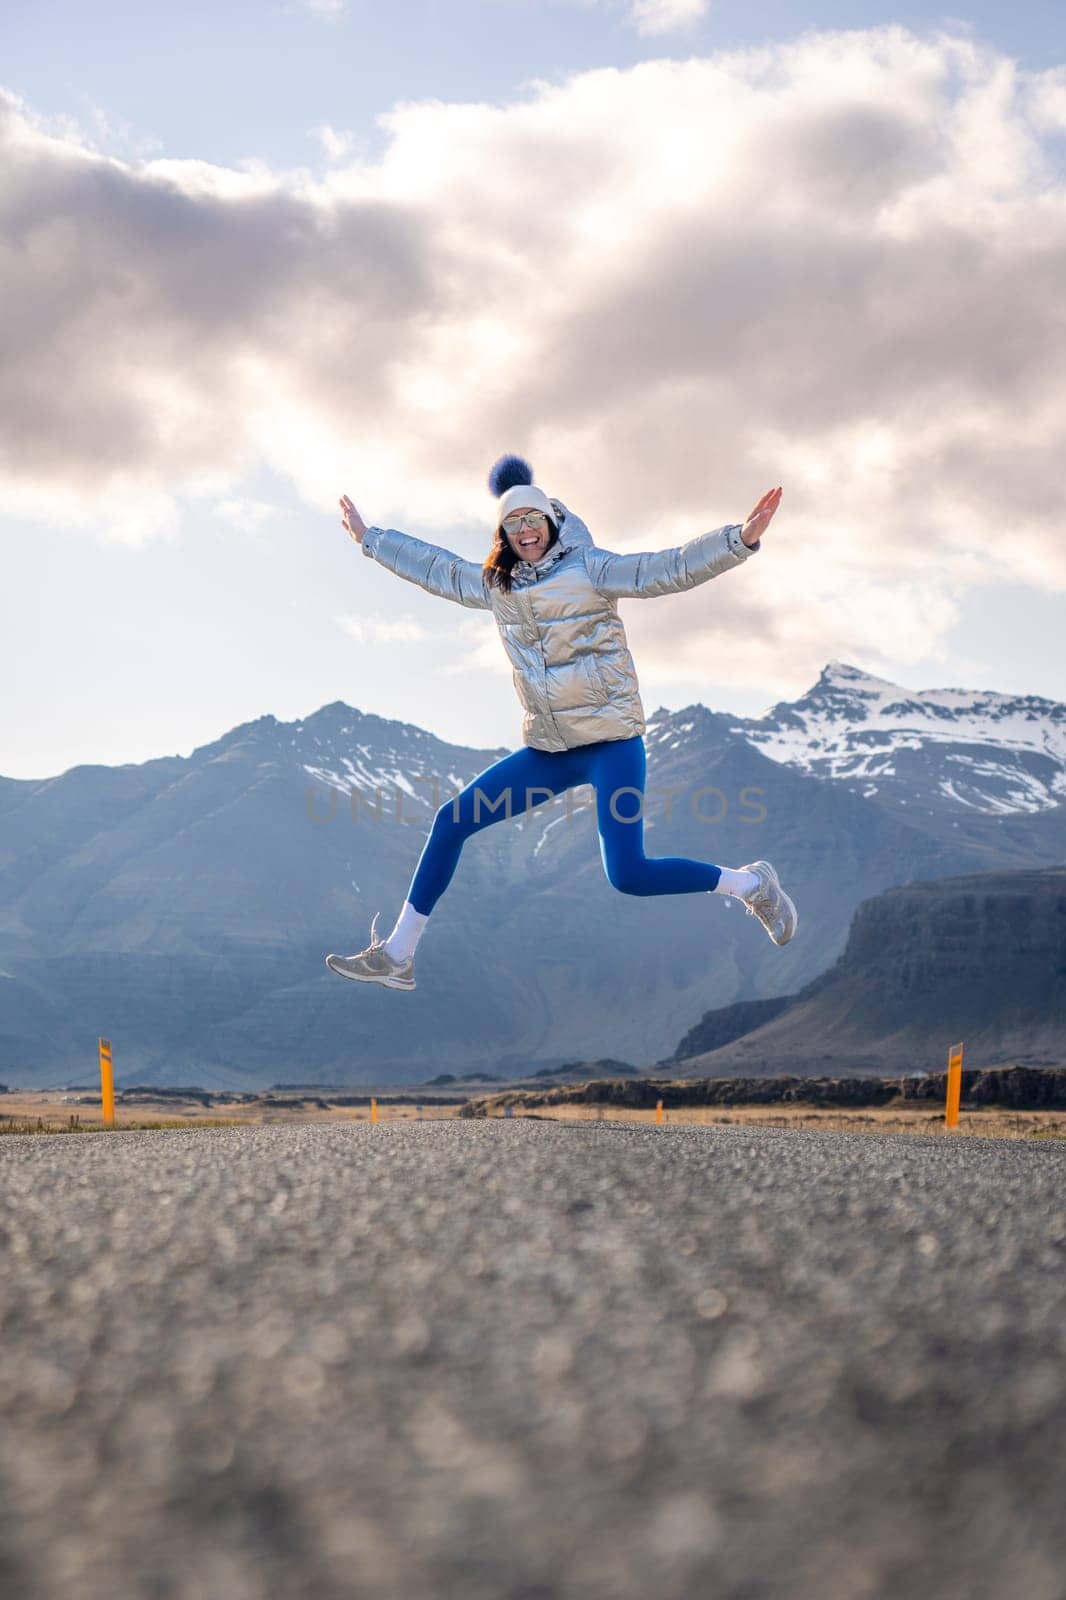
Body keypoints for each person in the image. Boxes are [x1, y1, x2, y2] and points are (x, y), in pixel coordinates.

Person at [325, 455, 797, 990]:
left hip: (611, 747)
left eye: (533, 519)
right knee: (452, 820)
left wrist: (739, 539)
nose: (525, 529)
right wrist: (370, 539)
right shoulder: (496, 587)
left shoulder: (591, 568)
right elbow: (436, 568)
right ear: (503, 533)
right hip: (550, 752)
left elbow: (667, 568)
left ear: (550, 522)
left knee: (629, 875)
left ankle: (750, 884)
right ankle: (398, 955)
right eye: (513, 523)